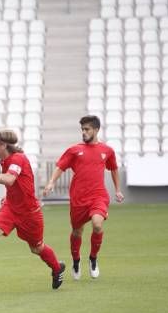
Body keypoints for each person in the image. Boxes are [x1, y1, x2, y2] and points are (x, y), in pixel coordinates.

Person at [0, 129, 66, 290]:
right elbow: (15, 185)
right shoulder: (4, 161)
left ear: (4, 145)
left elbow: (10, 179)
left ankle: (57, 268)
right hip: (11, 208)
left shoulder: (18, 159)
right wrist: (8, 197)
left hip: (29, 213)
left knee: (36, 248)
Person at [42, 115, 124, 280]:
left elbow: (114, 169)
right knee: (77, 232)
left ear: (96, 130)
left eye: (87, 129)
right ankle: (76, 260)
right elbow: (60, 166)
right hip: (78, 199)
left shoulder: (107, 151)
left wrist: (117, 190)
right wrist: (51, 182)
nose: (84, 132)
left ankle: (93, 258)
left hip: (98, 196)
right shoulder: (74, 150)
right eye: (82, 130)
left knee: (97, 224)